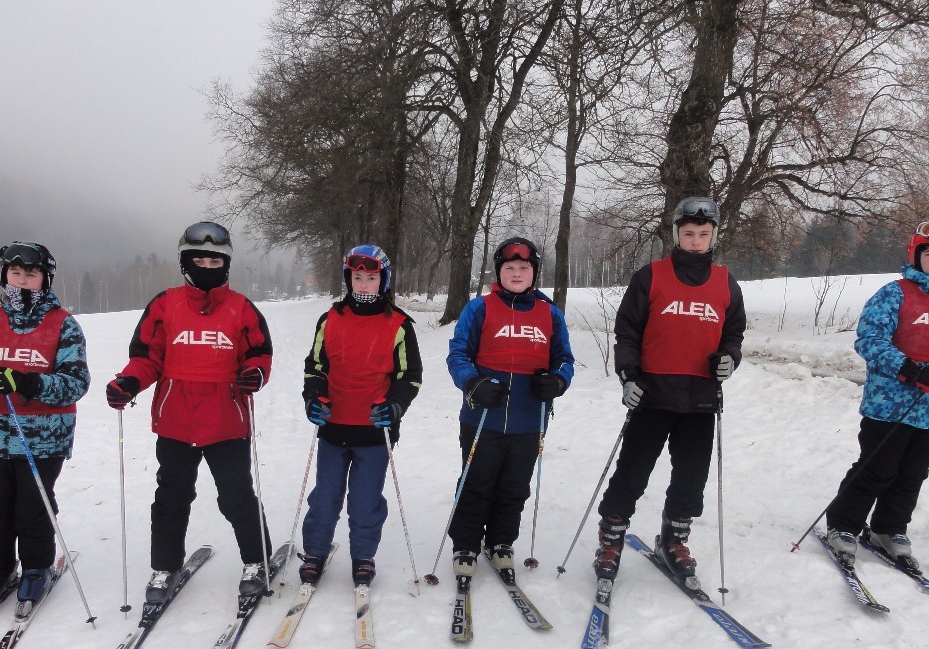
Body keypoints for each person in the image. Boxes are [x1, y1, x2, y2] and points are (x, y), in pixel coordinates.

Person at [105, 221, 274, 603]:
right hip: (176, 422)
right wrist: (128, 382)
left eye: (215, 261)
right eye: (199, 260)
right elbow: (146, 357)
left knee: (236, 497)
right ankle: (165, 567)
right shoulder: (165, 305)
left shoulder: (242, 308)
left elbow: (259, 353)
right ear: (185, 262)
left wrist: (255, 374)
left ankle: (256, 560)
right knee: (171, 498)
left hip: (226, 421)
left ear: (226, 264)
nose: (207, 267)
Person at [593, 197, 745, 585]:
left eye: (703, 234)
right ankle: (611, 538)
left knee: (691, 477)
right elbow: (627, 331)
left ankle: (674, 539)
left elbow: (733, 333)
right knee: (633, 471)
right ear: (677, 234)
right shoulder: (650, 276)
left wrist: (730, 358)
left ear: (714, 236)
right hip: (652, 393)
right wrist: (628, 375)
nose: (695, 241)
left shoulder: (726, 282)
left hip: (700, 398)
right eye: (688, 233)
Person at [0, 242, 90, 627]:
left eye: (31, 274)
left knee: (32, 506)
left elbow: (76, 382)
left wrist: (27, 382)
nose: (23, 280)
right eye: (16, 273)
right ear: (5, 276)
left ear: (45, 278)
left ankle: (35, 568)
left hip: (44, 438)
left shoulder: (63, 324)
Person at [824, 220, 929, 570]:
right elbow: (870, 340)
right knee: (877, 469)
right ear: (916, 256)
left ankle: (889, 528)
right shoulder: (895, 294)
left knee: (913, 473)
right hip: (889, 405)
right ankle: (843, 524)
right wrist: (910, 369)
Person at [446, 237, 574, 587]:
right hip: (482, 417)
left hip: (528, 419)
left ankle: (501, 541)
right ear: (498, 272)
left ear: (534, 272)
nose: (517, 273)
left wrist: (557, 382)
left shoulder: (550, 313)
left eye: (524, 267)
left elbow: (564, 359)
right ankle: (465, 544)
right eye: (510, 267)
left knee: (515, 487)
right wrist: (472, 382)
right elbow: (458, 354)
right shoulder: (479, 308)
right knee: (476, 483)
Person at [299, 245, 422, 588]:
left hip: (374, 430)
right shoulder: (330, 319)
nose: (364, 284)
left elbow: (410, 377)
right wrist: (313, 397)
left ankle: (363, 555)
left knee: (365, 500)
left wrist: (395, 406)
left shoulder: (399, 325)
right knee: (325, 497)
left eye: (371, 278)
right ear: (348, 279)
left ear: (383, 281)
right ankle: (315, 552)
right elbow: (315, 368)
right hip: (333, 426)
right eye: (357, 277)